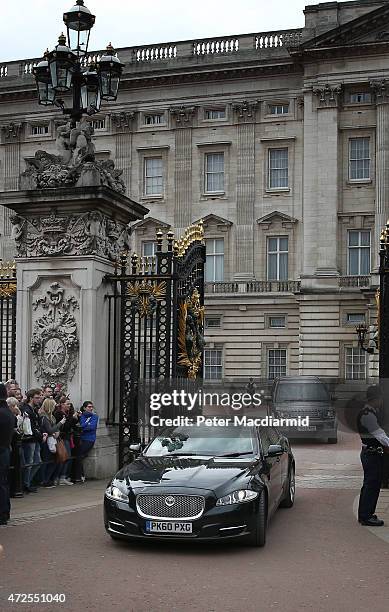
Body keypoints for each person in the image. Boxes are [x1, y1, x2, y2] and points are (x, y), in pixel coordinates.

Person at [357, 385, 389, 526]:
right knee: (371, 485)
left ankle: (365, 514)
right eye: (381, 398)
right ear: (376, 399)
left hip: (371, 453)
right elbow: (381, 436)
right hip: (371, 454)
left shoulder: (370, 412)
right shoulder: (368, 415)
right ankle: (366, 516)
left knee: (371, 485)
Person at [38, 399, 66, 488]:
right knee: (47, 461)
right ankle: (44, 481)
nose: (55, 407)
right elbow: (49, 430)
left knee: (54, 461)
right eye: (54, 406)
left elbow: (53, 428)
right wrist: (60, 423)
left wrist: (57, 431)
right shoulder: (44, 417)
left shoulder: (51, 416)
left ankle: (48, 479)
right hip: (46, 441)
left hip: (53, 439)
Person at [20, 388, 43, 493]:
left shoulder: (34, 409)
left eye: (39, 397)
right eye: (37, 398)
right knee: (29, 463)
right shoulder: (26, 409)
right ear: (30, 398)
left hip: (36, 439)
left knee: (37, 462)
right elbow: (29, 427)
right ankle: (25, 484)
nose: (39, 400)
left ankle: (27, 482)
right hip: (30, 440)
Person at [0, 383, 15, 525]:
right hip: (5, 449)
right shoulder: (7, 412)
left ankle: (2, 514)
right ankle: (5, 512)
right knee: (3, 482)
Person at [72, 401, 98, 483]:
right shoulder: (81, 416)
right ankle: (80, 475)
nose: (90, 408)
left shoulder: (94, 416)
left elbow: (92, 427)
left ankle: (78, 476)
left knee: (79, 455)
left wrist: (83, 426)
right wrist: (85, 425)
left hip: (89, 439)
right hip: (80, 438)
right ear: (84, 408)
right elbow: (78, 426)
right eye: (89, 407)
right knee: (78, 455)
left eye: (91, 407)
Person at [53, 398, 76, 486]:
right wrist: (72, 418)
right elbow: (65, 427)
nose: (69, 406)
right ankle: (59, 477)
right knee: (64, 457)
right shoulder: (59, 413)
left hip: (67, 437)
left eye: (70, 404)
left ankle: (62, 476)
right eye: (67, 404)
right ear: (62, 404)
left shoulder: (67, 413)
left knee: (66, 457)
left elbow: (70, 425)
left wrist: (75, 418)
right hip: (62, 438)